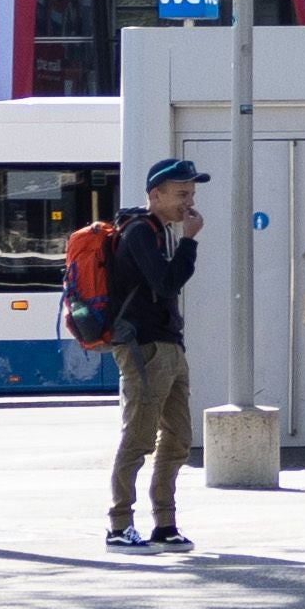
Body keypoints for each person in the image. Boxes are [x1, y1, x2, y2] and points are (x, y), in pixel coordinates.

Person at [100, 158, 207, 552]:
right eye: (181, 194)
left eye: (192, 194)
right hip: (143, 347)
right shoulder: (139, 233)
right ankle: (119, 524)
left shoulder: (160, 232)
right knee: (139, 437)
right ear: (154, 195)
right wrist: (192, 242)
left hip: (169, 346)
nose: (188, 202)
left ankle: (164, 523)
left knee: (179, 438)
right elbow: (166, 282)